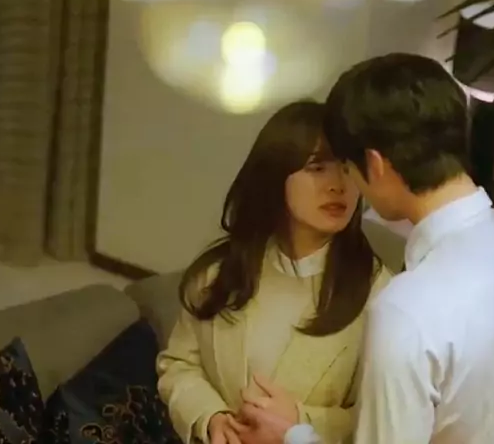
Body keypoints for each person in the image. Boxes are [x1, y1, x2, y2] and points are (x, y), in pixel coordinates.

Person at [238, 53, 494, 444]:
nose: (345, 184)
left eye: (348, 168)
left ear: (375, 165)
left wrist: (292, 435)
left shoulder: (405, 310)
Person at [156, 101, 392, 444]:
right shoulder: (219, 273)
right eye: (317, 167)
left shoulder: (381, 296)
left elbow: (383, 419)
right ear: (275, 174)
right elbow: (179, 364)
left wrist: (299, 423)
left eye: (347, 167)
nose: (338, 185)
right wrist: (211, 417)